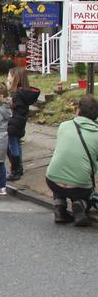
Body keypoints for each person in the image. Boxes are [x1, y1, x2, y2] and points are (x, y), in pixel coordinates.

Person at [46, 94, 98, 226]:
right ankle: (80, 204)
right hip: (79, 185)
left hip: (52, 179)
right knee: (87, 192)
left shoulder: (63, 126)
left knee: (61, 174)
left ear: (78, 110)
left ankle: (60, 208)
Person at [6, 67, 39, 181]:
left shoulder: (15, 94)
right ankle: (18, 168)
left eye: (9, 77)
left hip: (13, 124)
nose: (7, 79)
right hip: (20, 124)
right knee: (16, 145)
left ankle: (16, 169)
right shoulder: (24, 93)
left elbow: (11, 110)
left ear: (15, 78)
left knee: (11, 148)